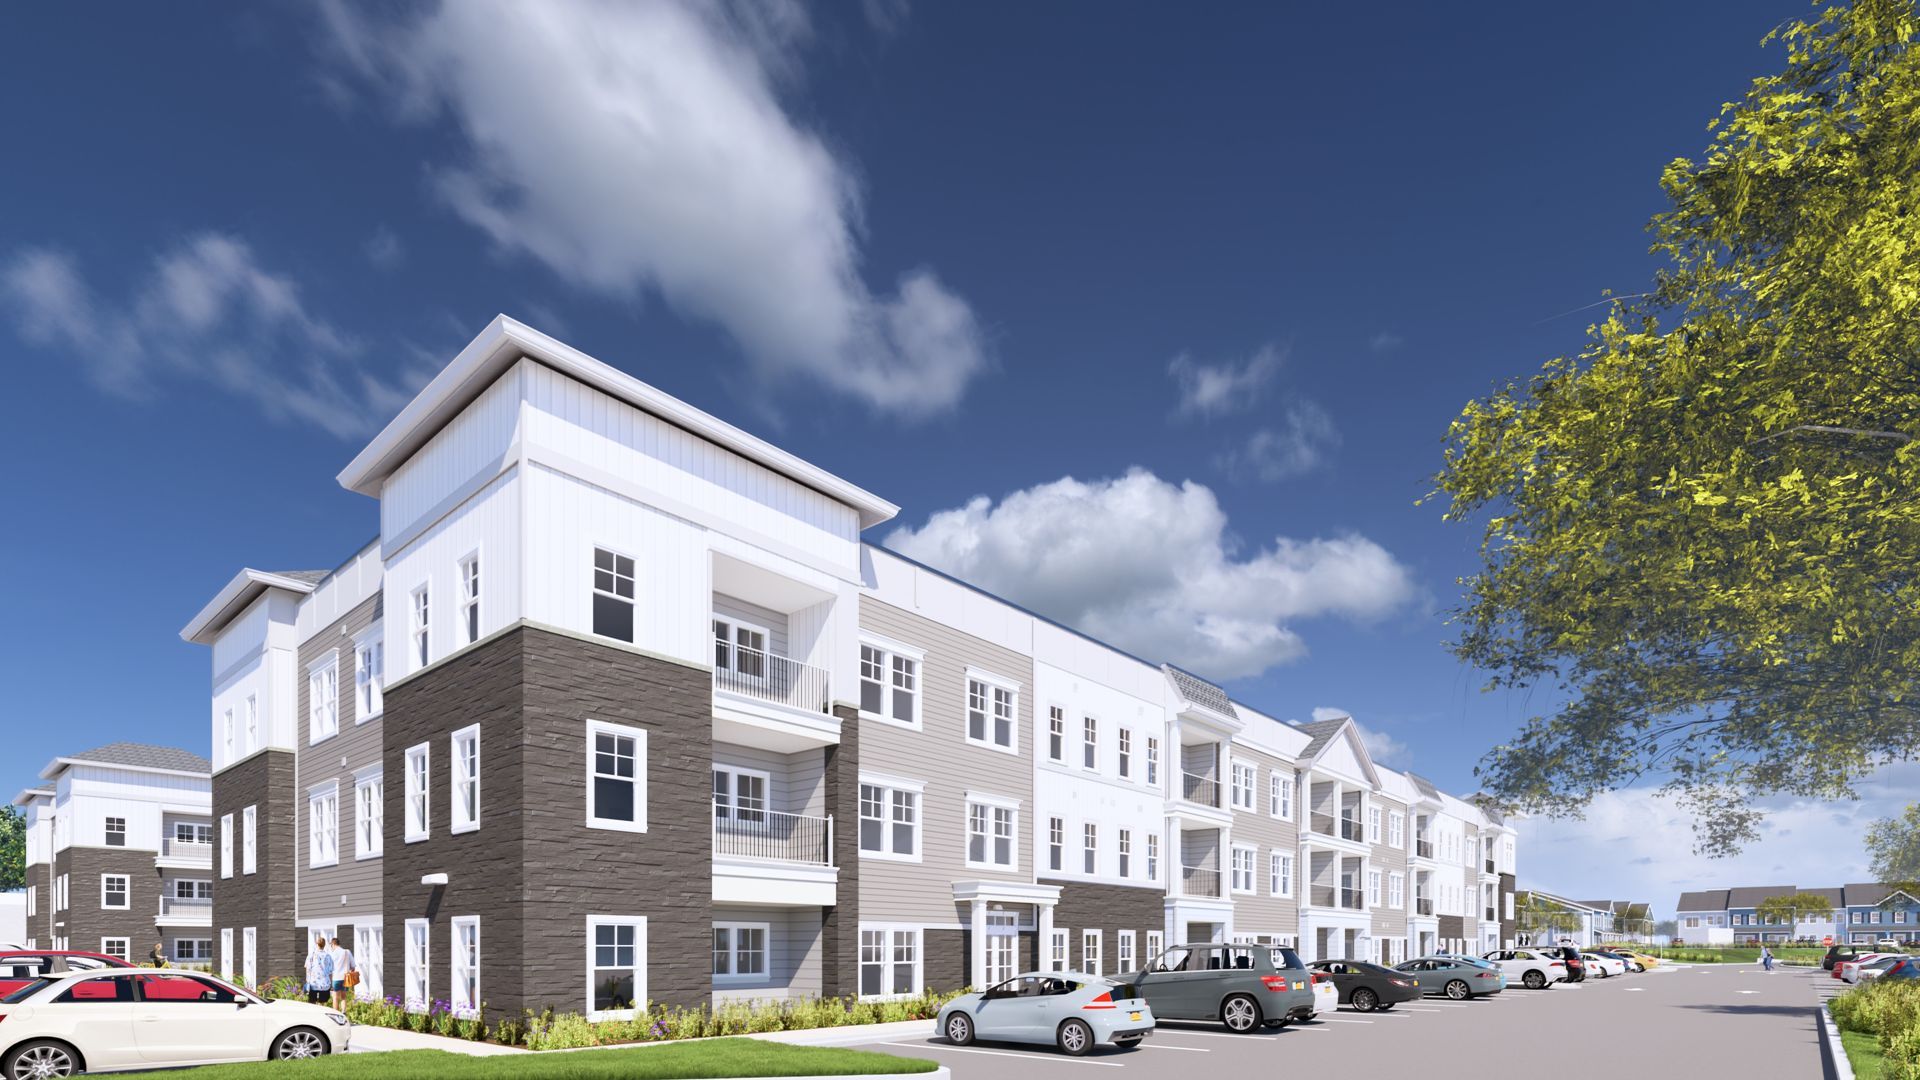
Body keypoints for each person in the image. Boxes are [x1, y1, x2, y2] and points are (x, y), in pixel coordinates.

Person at [328, 935, 356, 1009]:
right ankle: (344, 1013)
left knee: (335, 998)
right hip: (345, 978)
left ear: (333, 944)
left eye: (331, 945)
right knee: (343, 997)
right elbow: (353, 966)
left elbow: (329, 968)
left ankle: (336, 1015)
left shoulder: (332, 954)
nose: (331, 947)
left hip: (336, 978)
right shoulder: (347, 952)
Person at [305, 934, 333, 1005]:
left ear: (316, 944)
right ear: (324, 945)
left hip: (313, 983)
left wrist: (307, 980)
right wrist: (331, 984)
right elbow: (330, 972)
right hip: (325, 984)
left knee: (312, 1003)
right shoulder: (328, 956)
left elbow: (307, 968)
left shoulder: (311, 955)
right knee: (322, 1004)